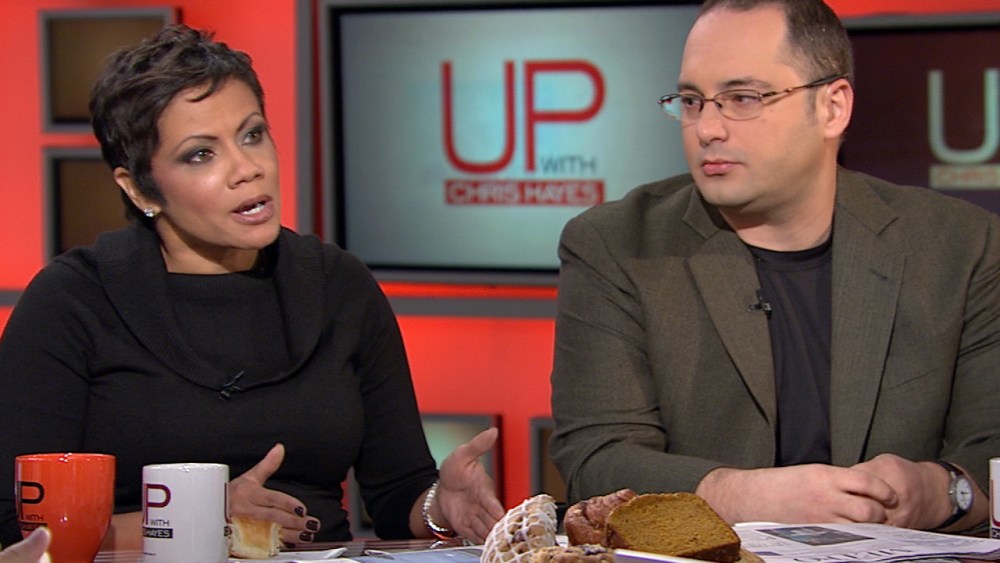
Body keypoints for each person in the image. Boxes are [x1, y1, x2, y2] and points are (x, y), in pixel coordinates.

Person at [0, 24, 504, 551]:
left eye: (252, 134)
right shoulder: (72, 302)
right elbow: (17, 529)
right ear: (139, 189)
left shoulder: (339, 285)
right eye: (201, 154)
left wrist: (441, 506)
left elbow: (398, 493)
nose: (248, 168)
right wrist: (196, 517)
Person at [550, 0, 999, 534]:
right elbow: (598, 459)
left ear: (832, 107)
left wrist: (944, 490)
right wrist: (744, 496)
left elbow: (992, 450)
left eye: (742, 98)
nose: (706, 128)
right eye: (691, 101)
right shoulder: (615, 245)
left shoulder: (962, 246)